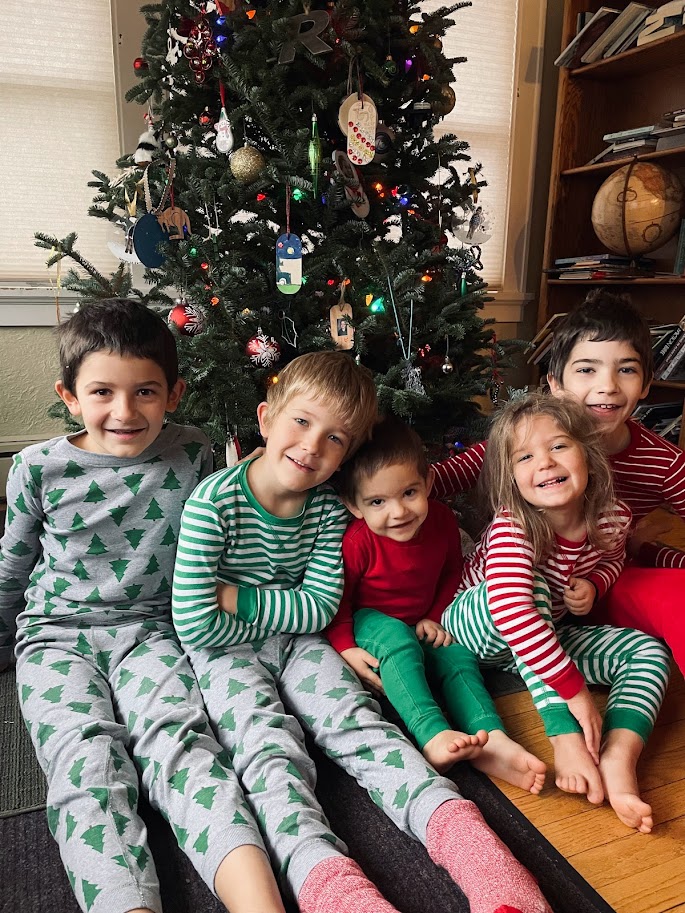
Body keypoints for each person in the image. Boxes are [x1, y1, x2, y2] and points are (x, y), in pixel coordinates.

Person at [172, 351, 552, 913]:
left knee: (361, 727)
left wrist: (240, 597)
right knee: (268, 754)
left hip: (302, 644)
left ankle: (482, 859)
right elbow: (197, 624)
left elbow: (323, 607)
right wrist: (278, 607)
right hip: (225, 654)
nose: (312, 447)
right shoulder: (212, 504)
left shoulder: (329, 508)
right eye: (301, 423)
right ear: (266, 418)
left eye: (335, 440)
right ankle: (340, 895)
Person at [0, 299, 286, 913]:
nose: (124, 412)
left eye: (145, 392)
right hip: (55, 636)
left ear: (174, 392)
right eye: (102, 392)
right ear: (69, 396)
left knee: (184, 747)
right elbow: (12, 566)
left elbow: (218, 548)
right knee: (86, 764)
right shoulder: (36, 468)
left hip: (156, 634)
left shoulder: (194, 453)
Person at [442, 392, 671, 834]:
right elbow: (511, 611)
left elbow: (613, 558)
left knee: (647, 652)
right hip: (475, 626)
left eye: (559, 446)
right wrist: (575, 693)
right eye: (525, 456)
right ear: (511, 478)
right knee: (532, 591)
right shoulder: (515, 527)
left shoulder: (612, 516)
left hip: (544, 640)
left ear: (588, 453)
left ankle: (619, 756)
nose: (545, 463)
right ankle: (565, 736)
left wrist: (597, 582)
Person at [327, 415, 546, 792]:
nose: (398, 512)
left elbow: (451, 573)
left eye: (409, 493)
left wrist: (434, 616)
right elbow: (338, 601)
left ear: (428, 482)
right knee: (397, 640)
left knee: (457, 656)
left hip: (425, 617)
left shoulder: (442, 520)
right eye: (378, 501)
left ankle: (491, 737)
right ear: (355, 505)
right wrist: (345, 647)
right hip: (371, 619)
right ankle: (432, 735)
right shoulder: (357, 542)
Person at [546, 289, 685, 671]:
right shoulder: (532, 440)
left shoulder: (664, 461)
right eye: (587, 369)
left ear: (645, 384)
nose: (608, 385)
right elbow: (449, 474)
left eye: (625, 369)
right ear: (556, 382)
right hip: (531, 586)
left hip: (605, 581)